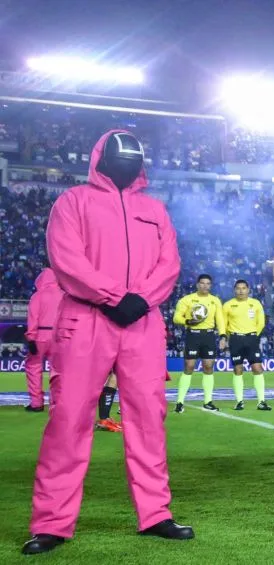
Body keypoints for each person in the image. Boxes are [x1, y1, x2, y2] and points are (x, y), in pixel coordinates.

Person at [24, 129, 189, 555]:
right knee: (69, 420)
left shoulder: (154, 208)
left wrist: (140, 300)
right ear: (99, 157)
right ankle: (52, 524)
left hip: (142, 321)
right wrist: (115, 297)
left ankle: (156, 515)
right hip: (86, 317)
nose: (128, 162)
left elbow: (169, 263)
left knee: (150, 420)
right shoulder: (73, 202)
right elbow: (66, 258)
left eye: (135, 156)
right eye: (120, 155)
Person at [172, 274, 225, 413]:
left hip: (208, 336)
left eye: (208, 283)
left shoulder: (215, 301)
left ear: (211, 286)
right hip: (193, 335)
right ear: (197, 285)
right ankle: (179, 402)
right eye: (202, 283)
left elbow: (220, 319)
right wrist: (188, 321)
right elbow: (176, 317)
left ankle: (208, 402)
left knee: (208, 367)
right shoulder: (187, 300)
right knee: (189, 367)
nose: (205, 286)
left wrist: (223, 336)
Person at [221, 279, 270, 411]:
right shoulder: (228, 305)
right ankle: (239, 401)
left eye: (243, 288)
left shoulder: (255, 304)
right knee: (238, 369)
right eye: (238, 288)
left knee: (258, 368)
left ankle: (261, 401)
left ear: (248, 290)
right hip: (236, 339)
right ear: (234, 290)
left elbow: (261, 323)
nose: (241, 290)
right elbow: (223, 325)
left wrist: (253, 335)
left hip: (252, 339)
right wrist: (225, 337)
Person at [24, 268, 63, 412]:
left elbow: (32, 319)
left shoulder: (37, 296)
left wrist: (31, 338)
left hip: (40, 335)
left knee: (33, 367)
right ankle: (57, 403)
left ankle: (36, 403)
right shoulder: (64, 295)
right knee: (58, 371)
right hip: (59, 337)